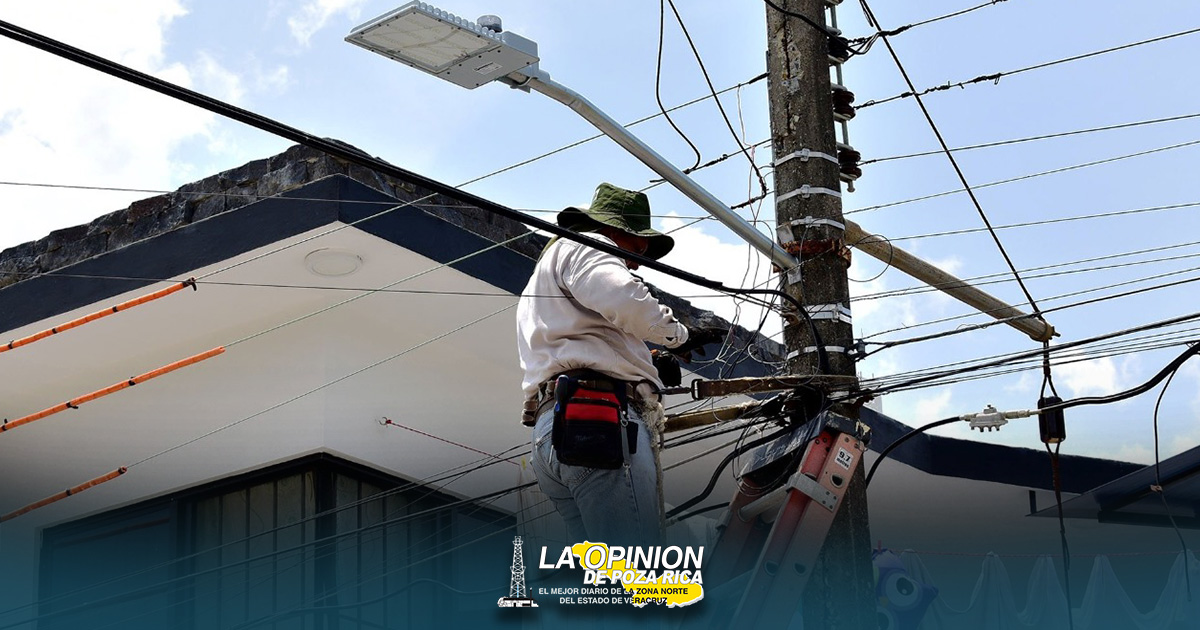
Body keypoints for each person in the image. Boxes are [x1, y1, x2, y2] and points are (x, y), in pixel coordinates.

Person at [516, 182, 722, 548]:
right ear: (612, 230)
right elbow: (623, 298)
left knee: (601, 579)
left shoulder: (545, 275)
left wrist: (650, 363)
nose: (634, 263)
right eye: (636, 249)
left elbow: (589, 341)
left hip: (555, 430)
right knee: (633, 576)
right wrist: (680, 336)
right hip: (595, 423)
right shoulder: (588, 245)